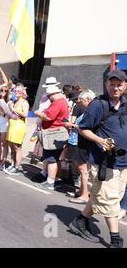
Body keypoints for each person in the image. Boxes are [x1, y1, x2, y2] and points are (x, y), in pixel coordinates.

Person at [69, 70, 127, 248]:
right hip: (104, 162)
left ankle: (80, 221)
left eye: (119, 84)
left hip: (123, 162)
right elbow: (82, 128)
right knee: (110, 201)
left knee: (102, 195)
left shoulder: (126, 104)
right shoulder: (98, 105)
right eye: (112, 84)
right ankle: (115, 238)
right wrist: (100, 140)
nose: (115, 87)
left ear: (125, 86)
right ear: (106, 85)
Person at [34, 85, 69, 190]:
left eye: (50, 96)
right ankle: (51, 180)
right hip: (56, 132)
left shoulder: (57, 102)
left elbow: (49, 117)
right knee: (53, 158)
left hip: (53, 133)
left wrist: (38, 113)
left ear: (54, 94)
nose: (49, 98)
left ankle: (50, 182)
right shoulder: (62, 101)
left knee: (51, 159)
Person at [5, 85, 30, 175]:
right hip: (12, 125)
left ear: (23, 92)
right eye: (15, 91)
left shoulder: (24, 102)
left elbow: (26, 114)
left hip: (19, 126)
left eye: (19, 91)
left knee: (17, 148)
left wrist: (14, 109)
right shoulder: (15, 101)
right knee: (12, 147)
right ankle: (12, 164)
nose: (16, 92)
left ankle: (17, 167)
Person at [0, 85, 9, 171]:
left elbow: (9, 115)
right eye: (1, 90)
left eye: (5, 91)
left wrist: (1, 112)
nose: (3, 92)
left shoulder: (9, 102)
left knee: (4, 144)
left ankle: (3, 161)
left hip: (4, 124)